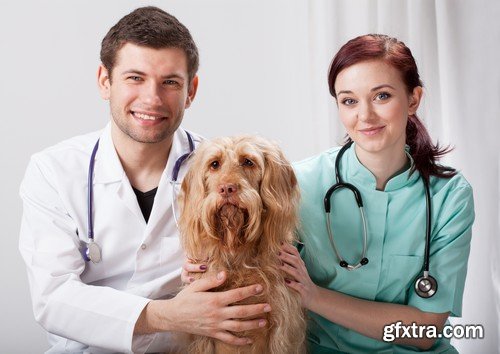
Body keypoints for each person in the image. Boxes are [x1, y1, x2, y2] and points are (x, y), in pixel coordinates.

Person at [19, 6, 270, 354]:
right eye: (135, 78)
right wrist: (166, 314)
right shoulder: (54, 171)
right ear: (105, 81)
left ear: (191, 91)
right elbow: (53, 298)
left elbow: (254, 255)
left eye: (170, 82)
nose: (152, 99)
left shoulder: (217, 167)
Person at [277, 34, 475, 353]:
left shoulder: (449, 196)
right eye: (349, 100)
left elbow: (425, 331)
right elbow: (253, 256)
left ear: (413, 99)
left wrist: (315, 297)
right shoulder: (298, 183)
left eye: (381, 96)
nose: (365, 116)